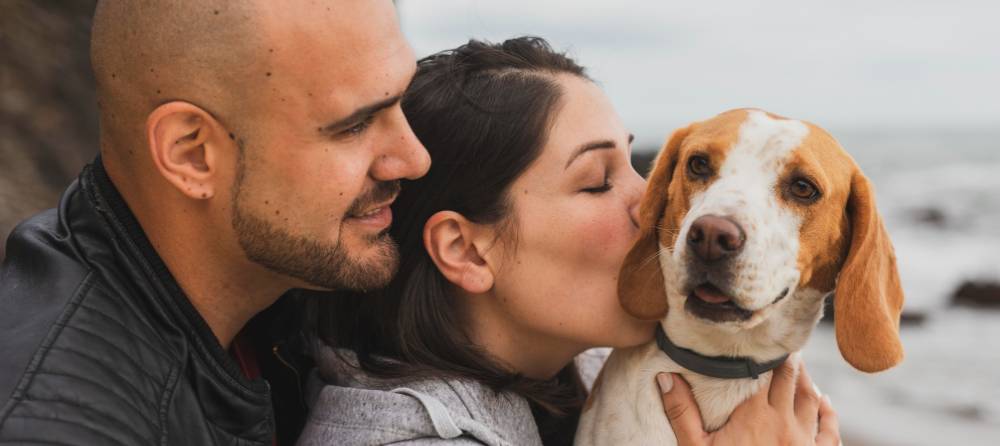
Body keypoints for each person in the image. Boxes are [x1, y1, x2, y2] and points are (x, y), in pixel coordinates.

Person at [299, 37, 840, 445]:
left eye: (636, 166)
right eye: (598, 181)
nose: (659, 205)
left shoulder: (588, 371)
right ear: (465, 249)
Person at [0, 1, 429, 444]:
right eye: (355, 126)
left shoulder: (285, 296)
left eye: (402, 101)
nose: (415, 159)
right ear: (192, 153)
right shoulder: (60, 426)